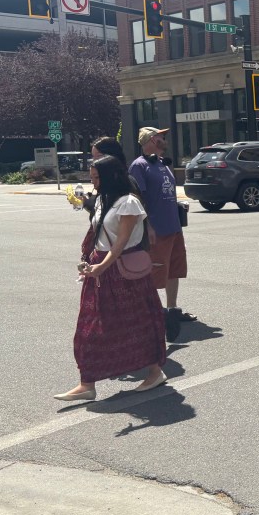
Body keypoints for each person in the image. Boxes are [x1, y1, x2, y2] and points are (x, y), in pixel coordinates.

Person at [56, 156, 167, 401]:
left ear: (110, 177)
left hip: (122, 271)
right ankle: (87, 384)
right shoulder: (103, 201)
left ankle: (155, 372)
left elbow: (121, 242)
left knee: (136, 324)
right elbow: (98, 234)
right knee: (90, 328)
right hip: (100, 270)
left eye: (96, 177)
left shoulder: (128, 202)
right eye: (92, 177)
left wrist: (102, 266)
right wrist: (89, 260)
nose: (93, 182)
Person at [129, 127, 192, 342]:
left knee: (174, 269)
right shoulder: (139, 166)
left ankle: (171, 310)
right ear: (151, 139)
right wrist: (148, 226)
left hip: (173, 226)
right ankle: (153, 316)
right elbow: (137, 198)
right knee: (156, 274)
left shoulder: (163, 163)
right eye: (160, 137)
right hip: (157, 229)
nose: (164, 139)